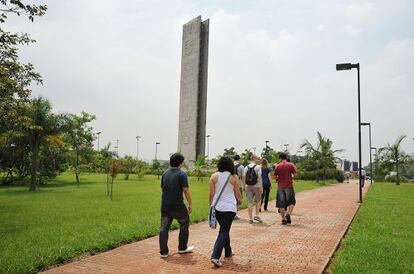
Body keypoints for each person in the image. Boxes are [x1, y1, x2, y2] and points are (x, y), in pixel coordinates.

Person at [209, 157, 243, 267]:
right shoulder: (234, 177)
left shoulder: (213, 176)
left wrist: (212, 205)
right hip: (229, 208)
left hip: (217, 207)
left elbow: (211, 194)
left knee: (224, 229)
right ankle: (215, 256)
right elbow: (238, 194)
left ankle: (228, 252)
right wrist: (241, 201)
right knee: (224, 231)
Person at [159, 153, 194, 258]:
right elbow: (186, 190)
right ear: (181, 163)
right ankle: (182, 248)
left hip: (165, 204)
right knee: (184, 222)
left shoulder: (165, 173)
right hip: (177, 205)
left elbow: (163, 188)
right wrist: (190, 204)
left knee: (164, 228)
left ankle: (164, 252)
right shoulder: (182, 174)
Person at [274, 152, 297, 225]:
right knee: (292, 201)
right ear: (286, 157)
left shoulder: (278, 166)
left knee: (281, 204)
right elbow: (295, 175)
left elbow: (275, 176)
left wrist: (278, 179)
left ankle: (283, 219)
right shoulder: (291, 165)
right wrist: (291, 177)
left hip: (280, 187)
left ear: (280, 158)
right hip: (289, 186)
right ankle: (288, 213)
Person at [243, 154, 263, 224]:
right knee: (258, 201)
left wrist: (244, 186)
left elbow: (244, 177)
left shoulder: (246, 167)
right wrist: (261, 187)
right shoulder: (258, 167)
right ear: (254, 159)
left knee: (250, 202)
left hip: (248, 186)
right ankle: (257, 215)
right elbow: (260, 177)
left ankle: (250, 218)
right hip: (256, 186)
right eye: (257, 158)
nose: (258, 160)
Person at [233, 154, 244, 219]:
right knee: (238, 199)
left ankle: (232, 213)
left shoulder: (230, 165)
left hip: (231, 185)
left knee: (232, 199)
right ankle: (235, 214)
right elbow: (243, 177)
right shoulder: (241, 166)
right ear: (239, 159)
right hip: (238, 185)